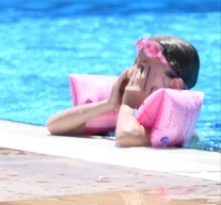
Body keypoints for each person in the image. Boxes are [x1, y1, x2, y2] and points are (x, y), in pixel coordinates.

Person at [46, 35, 200, 147]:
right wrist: (110, 104)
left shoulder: (174, 127)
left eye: (143, 68)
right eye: (135, 65)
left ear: (174, 86)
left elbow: (127, 135)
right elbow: (54, 125)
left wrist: (129, 104)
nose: (133, 72)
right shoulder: (127, 114)